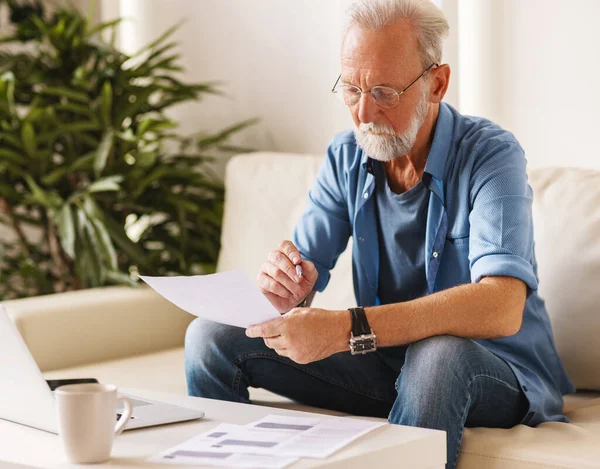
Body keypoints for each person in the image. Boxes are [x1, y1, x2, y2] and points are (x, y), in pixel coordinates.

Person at [184, 1, 574, 467]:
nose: (363, 111)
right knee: (209, 338)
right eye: (351, 89)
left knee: (437, 357)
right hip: (386, 367)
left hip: (495, 370)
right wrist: (286, 288)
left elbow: (503, 305)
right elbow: (302, 271)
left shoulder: (491, 156)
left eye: (385, 91)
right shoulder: (346, 155)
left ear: (437, 82)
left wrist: (349, 328)